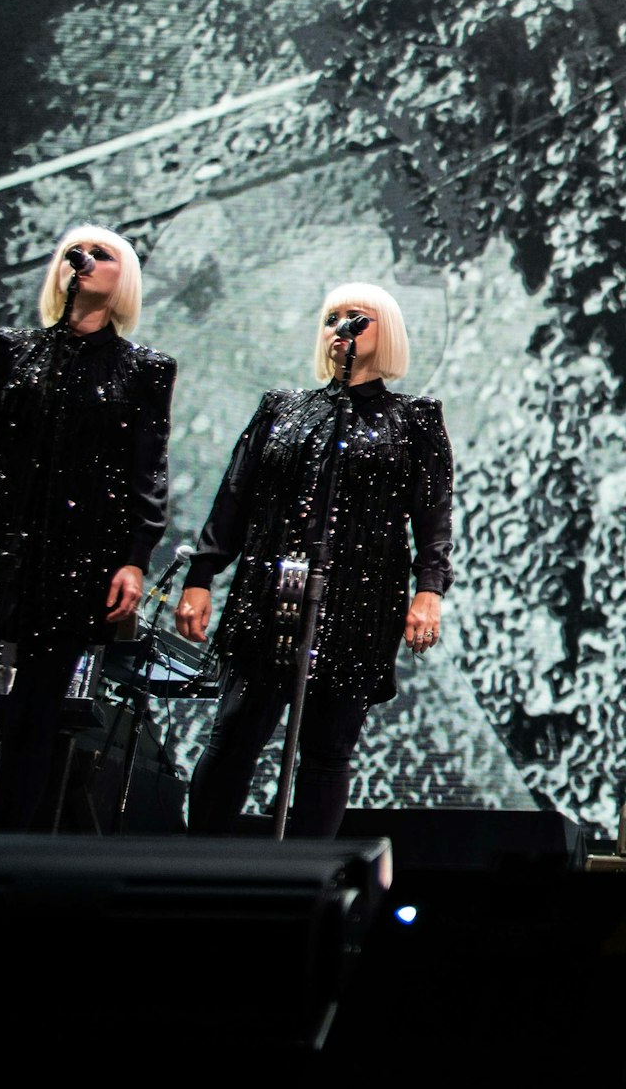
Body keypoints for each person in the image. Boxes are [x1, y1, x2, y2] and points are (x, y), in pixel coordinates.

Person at [175, 282, 452, 837]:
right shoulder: (282, 408)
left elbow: (433, 516)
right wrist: (201, 576)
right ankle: (200, 861)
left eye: (358, 317)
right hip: (268, 592)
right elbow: (234, 497)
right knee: (234, 733)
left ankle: (305, 874)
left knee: (328, 748)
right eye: (332, 317)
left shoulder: (415, 419)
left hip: (361, 601)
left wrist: (429, 590)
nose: (341, 326)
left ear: (387, 332)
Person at [0, 225, 174, 829]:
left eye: (103, 254)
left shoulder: (144, 369)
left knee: (38, 711)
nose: (85, 260)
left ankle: (6, 848)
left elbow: (148, 470)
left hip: (79, 554)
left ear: (124, 278)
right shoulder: (6, 349)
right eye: (76, 253)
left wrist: (135, 558)